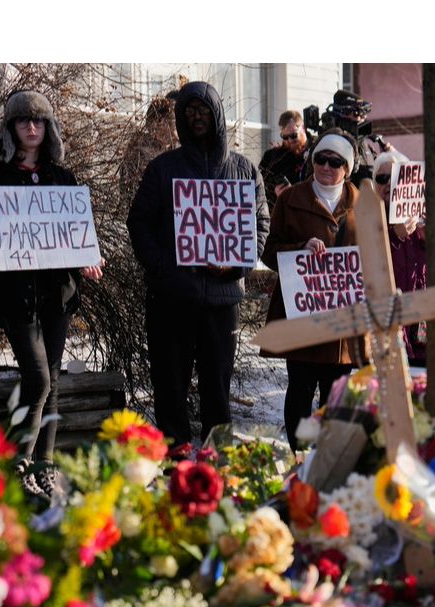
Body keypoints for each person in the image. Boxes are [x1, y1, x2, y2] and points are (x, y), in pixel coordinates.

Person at [0, 90, 104, 473]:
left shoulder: (63, 179)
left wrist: (89, 257)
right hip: (14, 296)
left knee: (51, 380)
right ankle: (18, 463)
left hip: (56, 295)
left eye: (39, 121)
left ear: (49, 127)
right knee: (38, 379)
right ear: (11, 127)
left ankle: (44, 467)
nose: (32, 127)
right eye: (23, 120)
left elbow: (75, 234)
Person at [127, 81, 270, 444]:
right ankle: (174, 459)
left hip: (222, 301)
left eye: (204, 110)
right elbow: (139, 223)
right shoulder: (163, 169)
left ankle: (217, 459)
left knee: (218, 389)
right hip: (171, 299)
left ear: (217, 114)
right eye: (189, 111)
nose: (197, 117)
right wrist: (162, 267)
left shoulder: (244, 170)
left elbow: (260, 224)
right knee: (169, 388)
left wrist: (237, 265)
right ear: (180, 118)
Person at [260, 131, 365, 448]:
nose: (327, 166)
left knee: (336, 396)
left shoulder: (365, 204)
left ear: (347, 168)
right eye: (321, 158)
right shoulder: (290, 199)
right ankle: (300, 456)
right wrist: (300, 249)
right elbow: (269, 251)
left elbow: (376, 257)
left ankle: (328, 459)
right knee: (300, 391)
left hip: (342, 322)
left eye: (335, 161)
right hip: (302, 314)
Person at [374, 150, 427, 366]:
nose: (388, 183)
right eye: (382, 178)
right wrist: (394, 236)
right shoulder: (367, 217)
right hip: (388, 325)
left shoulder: (423, 218)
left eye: (395, 177)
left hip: (421, 326)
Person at [259, 110, 309, 205]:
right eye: (285, 137)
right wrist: (275, 191)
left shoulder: (316, 153)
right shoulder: (273, 157)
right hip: (279, 209)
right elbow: (260, 186)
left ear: (303, 129)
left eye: (294, 135)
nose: (289, 140)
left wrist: (294, 192)